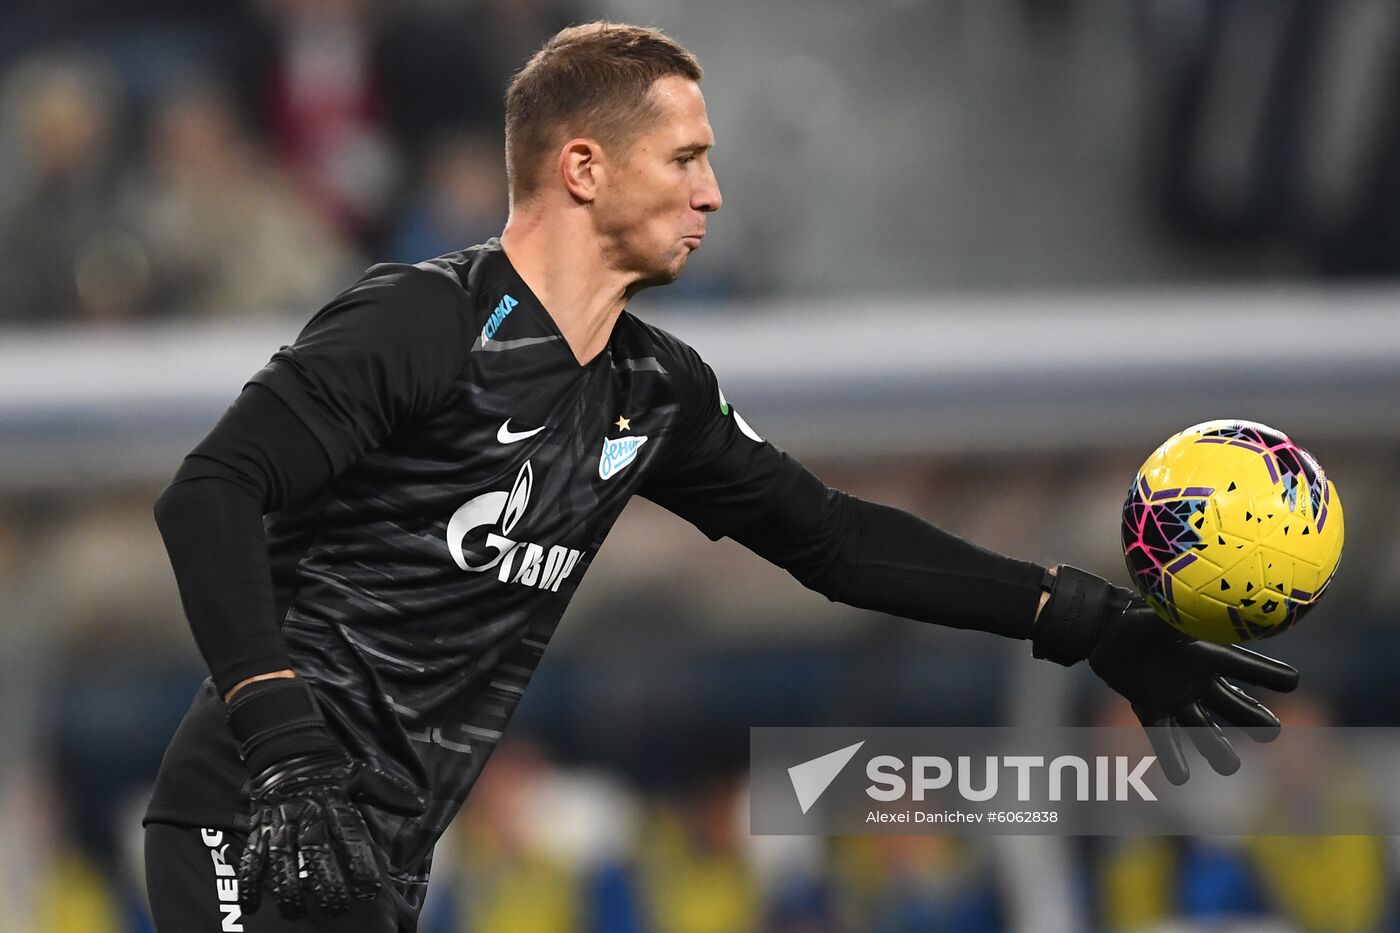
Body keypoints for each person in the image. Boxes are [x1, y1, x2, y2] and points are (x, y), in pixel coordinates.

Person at [142, 21, 1299, 933]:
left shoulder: (654, 391)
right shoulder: (423, 320)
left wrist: (1081, 617)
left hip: (382, 858)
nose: (712, 194)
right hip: (257, 816)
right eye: (686, 159)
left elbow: (836, 541)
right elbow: (209, 493)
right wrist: (286, 743)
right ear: (583, 167)